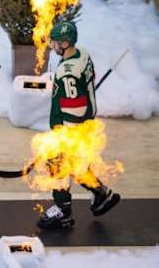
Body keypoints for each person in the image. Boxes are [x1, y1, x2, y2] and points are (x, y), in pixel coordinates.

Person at [38, 21, 121, 229]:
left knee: (57, 164)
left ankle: (63, 211)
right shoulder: (80, 53)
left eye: (56, 42)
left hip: (72, 125)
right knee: (75, 165)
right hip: (84, 122)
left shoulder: (68, 71)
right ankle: (102, 193)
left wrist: (63, 136)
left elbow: (75, 105)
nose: (52, 45)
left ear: (66, 43)